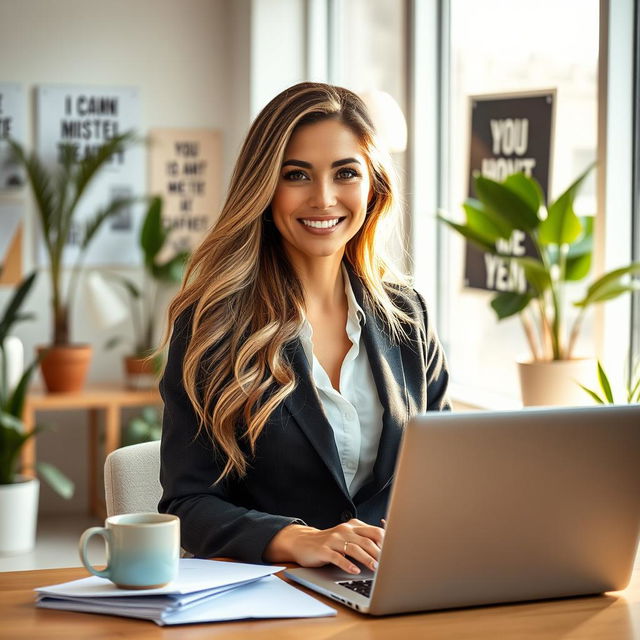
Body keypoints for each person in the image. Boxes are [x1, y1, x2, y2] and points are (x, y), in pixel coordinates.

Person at [158, 82, 450, 576]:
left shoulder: (408, 315)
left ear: (373, 186)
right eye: (297, 175)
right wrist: (298, 540)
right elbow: (187, 505)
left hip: (395, 587)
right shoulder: (213, 325)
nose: (324, 198)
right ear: (265, 185)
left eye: (346, 173)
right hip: (271, 601)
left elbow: (446, 470)